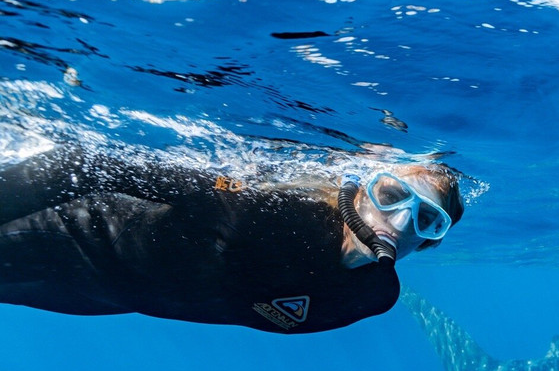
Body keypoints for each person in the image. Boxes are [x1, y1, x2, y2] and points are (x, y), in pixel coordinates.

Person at [0, 143, 464, 333]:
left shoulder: (373, 297)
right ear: (360, 190)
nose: (399, 223)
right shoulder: (272, 211)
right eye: (391, 196)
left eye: (426, 219)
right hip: (66, 236)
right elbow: (76, 163)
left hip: (92, 296)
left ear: (431, 239)